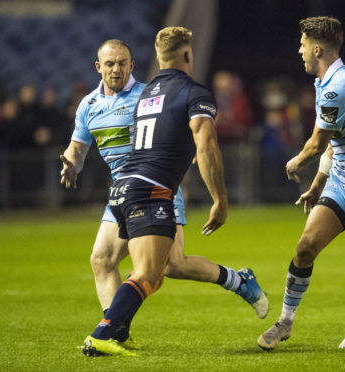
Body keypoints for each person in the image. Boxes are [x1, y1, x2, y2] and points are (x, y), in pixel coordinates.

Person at [60, 36, 267, 356]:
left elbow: (187, 125)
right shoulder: (89, 105)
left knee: (172, 266)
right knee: (102, 259)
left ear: (132, 65)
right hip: (122, 192)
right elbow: (78, 146)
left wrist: (196, 147)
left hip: (158, 190)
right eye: (110, 64)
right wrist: (72, 164)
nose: (116, 69)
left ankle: (237, 280)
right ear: (98, 67)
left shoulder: (149, 96)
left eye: (122, 63)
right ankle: (115, 331)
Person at [257, 16, 345, 351]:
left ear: (317, 48)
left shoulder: (337, 87)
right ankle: (286, 322)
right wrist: (319, 183)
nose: (299, 50)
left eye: (303, 44)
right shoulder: (329, 81)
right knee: (306, 246)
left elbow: (317, 144)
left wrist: (296, 162)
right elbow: (338, 141)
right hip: (341, 183)